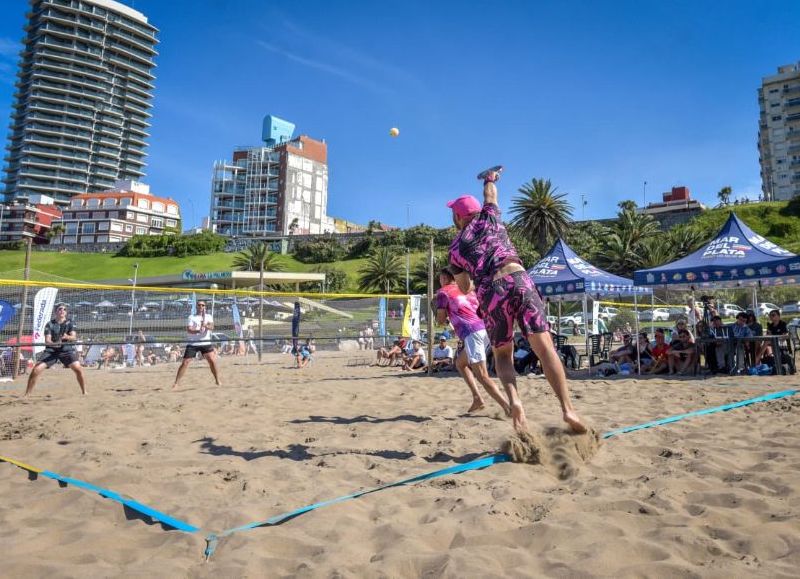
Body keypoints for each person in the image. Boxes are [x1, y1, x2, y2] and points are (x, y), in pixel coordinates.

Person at [447, 167, 585, 433]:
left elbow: (464, 287)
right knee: (545, 348)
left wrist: (469, 273)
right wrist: (489, 178)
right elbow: (490, 194)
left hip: (490, 291)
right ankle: (568, 410)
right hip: (518, 278)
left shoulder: (454, 249)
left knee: (503, 355)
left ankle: (515, 403)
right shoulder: (490, 216)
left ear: (457, 216)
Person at [436, 267, 511, 413]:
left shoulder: (443, 292)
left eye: (440, 278)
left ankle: (508, 407)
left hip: (472, 333)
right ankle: (477, 398)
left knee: (482, 375)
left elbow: (440, 319)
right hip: (486, 330)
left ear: (444, 278)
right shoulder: (467, 289)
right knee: (460, 363)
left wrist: (442, 316)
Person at [25, 303, 87, 396]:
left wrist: (67, 336)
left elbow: (74, 337)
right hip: (51, 351)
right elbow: (47, 340)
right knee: (36, 370)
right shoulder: (50, 324)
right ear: (55, 311)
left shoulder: (70, 323)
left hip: (66, 350)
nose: (62, 310)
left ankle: (84, 391)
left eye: (64, 309)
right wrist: (55, 344)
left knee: (78, 369)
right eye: (60, 309)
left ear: (66, 312)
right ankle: (27, 394)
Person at [172, 301, 221, 389]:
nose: (201, 306)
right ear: (196, 307)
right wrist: (198, 331)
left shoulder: (208, 316)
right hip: (193, 343)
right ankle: (176, 383)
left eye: (203, 305)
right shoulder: (192, 317)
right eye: (199, 305)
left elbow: (212, 327)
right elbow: (189, 329)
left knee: (212, 361)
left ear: (205, 307)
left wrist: (206, 326)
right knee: (185, 362)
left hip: (205, 342)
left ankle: (217, 380)